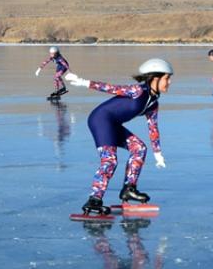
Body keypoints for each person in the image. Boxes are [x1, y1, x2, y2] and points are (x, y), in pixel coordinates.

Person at [66, 59, 172, 216]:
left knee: (139, 148)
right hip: (100, 120)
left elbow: (153, 128)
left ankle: (129, 189)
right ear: (155, 78)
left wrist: (158, 153)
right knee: (109, 160)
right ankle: (94, 199)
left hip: (114, 123)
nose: (169, 82)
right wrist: (82, 82)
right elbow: (112, 88)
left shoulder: (153, 103)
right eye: (167, 78)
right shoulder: (138, 91)